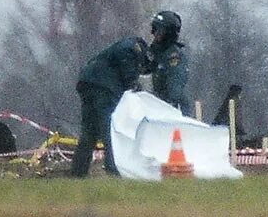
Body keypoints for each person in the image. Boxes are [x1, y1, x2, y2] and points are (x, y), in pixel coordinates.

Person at [73, 35, 150, 177]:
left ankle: (78, 173)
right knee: (111, 130)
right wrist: (133, 83)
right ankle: (113, 170)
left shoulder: (114, 50)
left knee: (89, 132)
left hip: (86, 83)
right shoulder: (133, 47)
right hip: (104, 87)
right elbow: (128, 70)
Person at [145, 10, 190, 113]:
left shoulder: (174, 56)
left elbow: (175, 82)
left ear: (168, 33)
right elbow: (146, 66)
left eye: (158, 31)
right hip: (159, 105)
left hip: (173, 109)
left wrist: (170, 103)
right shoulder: (158, 52)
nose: (155, 34)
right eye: (154, 30)